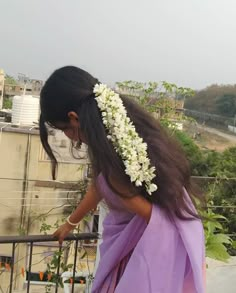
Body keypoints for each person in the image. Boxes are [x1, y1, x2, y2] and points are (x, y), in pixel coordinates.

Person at [39, 66, 205, 293]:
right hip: (122, 251)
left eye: (63, 129)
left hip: (133, 258)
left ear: (74, 118)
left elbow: (154, 219)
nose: (67, 137)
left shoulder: (118, 162)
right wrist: (70, 223)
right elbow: (97, 187)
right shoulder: (111, 141)